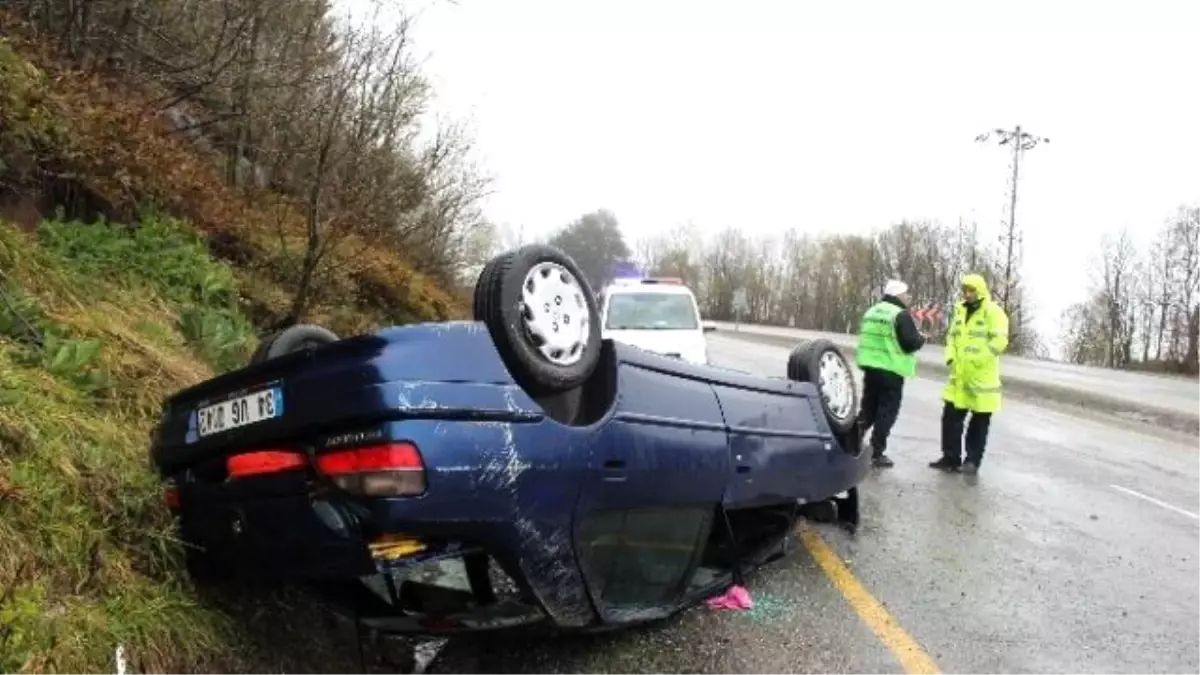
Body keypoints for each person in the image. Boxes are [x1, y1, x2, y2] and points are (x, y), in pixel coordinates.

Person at [930, 273, 1009, 475]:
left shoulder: (993, 312)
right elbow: (951, 338)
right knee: (950, 418)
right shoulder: (959, 312)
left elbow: (999, 341)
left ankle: (972, 461)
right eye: (965, 290)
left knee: (979, 423)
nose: (967, 294)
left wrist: (977, 360)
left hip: (981, 379)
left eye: (971, 290)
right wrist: (950, 357)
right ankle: (950, 457)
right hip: (959, 376)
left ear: (980, 291)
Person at [855, 279, 926, 468]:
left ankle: (851, 442)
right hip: (891, 369)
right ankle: (876, 452)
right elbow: (910, 342)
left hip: (871, 367)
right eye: (906, 294)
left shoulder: (872, 311)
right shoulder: (899, 314)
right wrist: (921, 339)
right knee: (886, 411)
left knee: (868, 408)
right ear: (898, 295)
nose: (909, 297)